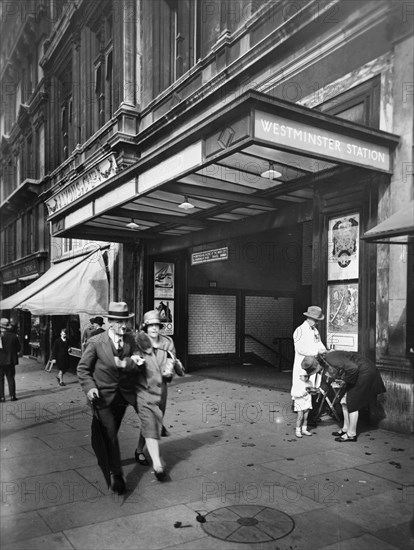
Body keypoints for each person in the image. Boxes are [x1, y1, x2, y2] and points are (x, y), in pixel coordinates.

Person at [77, 301, 141, 495]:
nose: (124, 326)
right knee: (111, 432)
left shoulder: (131, 340)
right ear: (111, 322)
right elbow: (83, 369)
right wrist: (90, 388)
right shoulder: (96, 342)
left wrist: (127, 363)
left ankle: (102, 449)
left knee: (108, 432)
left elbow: (138, 363)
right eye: (119, 322)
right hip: (102, 396)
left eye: (126, 322)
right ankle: (117, 475)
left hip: (123, 396)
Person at [133, 310, 177, 481]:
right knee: (149, 420)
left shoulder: (167, 342)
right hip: (143, 388)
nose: (154, 329)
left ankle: (139, 449)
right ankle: (158, 465)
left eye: (157, 325)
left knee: (153, 422)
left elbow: (172, 360)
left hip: (161, 389)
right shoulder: (139, 342)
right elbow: (133, 360)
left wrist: (169, 370)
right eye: (150, 325)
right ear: (146, 327)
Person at [320, 350, 386, 442]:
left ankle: (351, 434)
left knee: (351, 402)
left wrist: (345, 381)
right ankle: (345, 428)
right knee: (343, 401)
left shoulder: (331, 360)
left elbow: (353, 368)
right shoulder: (327, 359)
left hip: (365, 372)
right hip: (358, 372)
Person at [292, 305, 327, 426]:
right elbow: (300, 349)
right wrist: (316, 352)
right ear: (309, 318)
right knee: (303, 389)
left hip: (314, 365)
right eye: (316, 320)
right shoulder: (299, 330)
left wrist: (325, 350)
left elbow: (319, 344)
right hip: (304, 365)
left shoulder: (315, 331)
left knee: (313, 388)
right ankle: (302, 419)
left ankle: (311, 416)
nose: (317, 323)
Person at [291, 356, 322, 437]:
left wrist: (314, 391)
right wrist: (303, 393)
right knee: (300, 417)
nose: (306, 378)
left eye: (307, 376)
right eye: (304, 376)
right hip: (300, 402)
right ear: (299, 376)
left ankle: (304, 430)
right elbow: (293, 393)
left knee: (306, 417)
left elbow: (311, 391)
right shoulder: (297, 384)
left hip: (307, 402)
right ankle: (298, 430)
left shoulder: (310, 382)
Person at [0, 318, 21, 402]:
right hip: (10, 361)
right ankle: (12, 396)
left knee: (0, 379)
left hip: (0, 361)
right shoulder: (13, 336)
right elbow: (18, 348)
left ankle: (1, 397)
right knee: (11, 378)